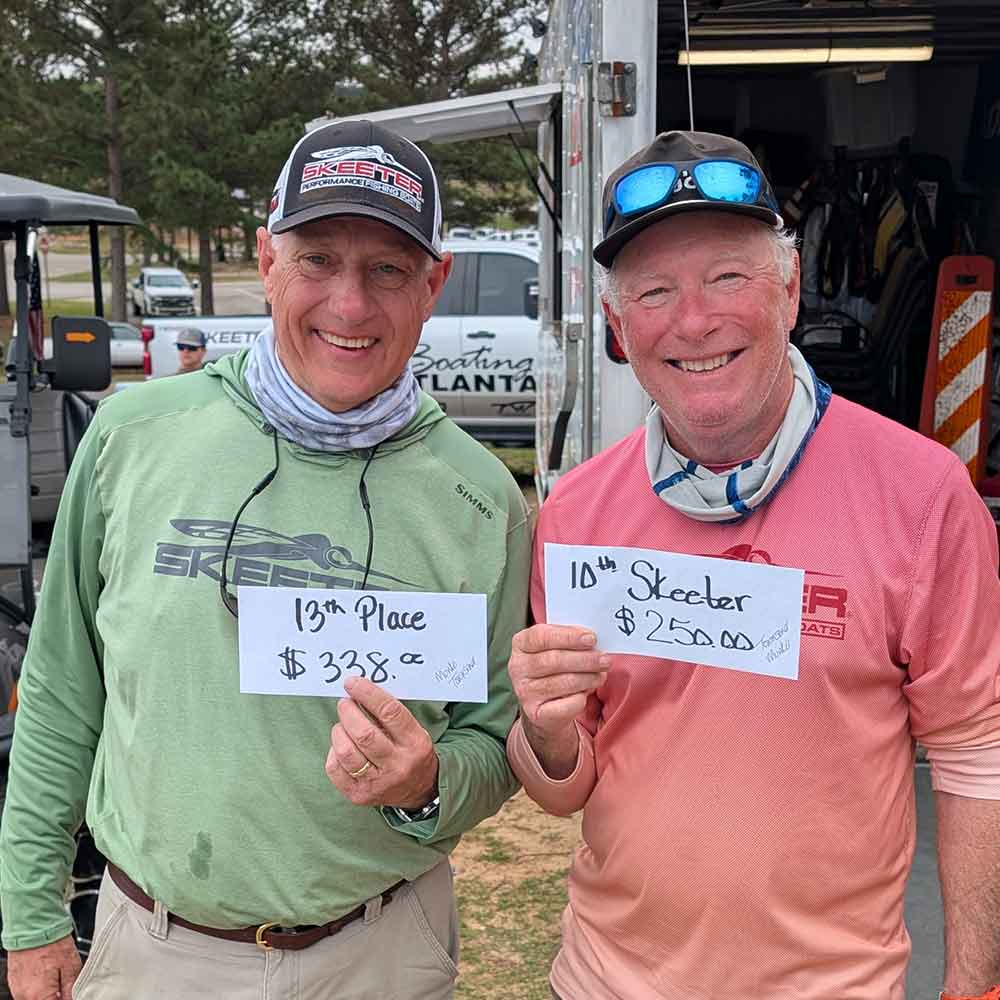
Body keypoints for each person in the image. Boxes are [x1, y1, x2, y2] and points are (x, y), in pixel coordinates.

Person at [0, 120, 531, 1000]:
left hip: (382, 950)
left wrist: (429, 782)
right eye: (318, 259)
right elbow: (62, 687)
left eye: (388, 269)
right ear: (268, 260)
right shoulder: (134, 439)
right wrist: (30, 915)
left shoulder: (481, 500)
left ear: (434, 283)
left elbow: (495, 738)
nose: (350, 305)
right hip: (155, 951)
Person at [506, 130, 1000, 1000]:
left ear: (791, 287)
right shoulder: (575, 513)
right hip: (603, 983)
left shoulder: (921, 494)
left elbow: (974, 755)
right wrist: (544, 733)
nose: (694, 321)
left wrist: (974, 981)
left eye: (728, 277)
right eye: (655, 291)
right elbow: (568, 783)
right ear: (620, 327)